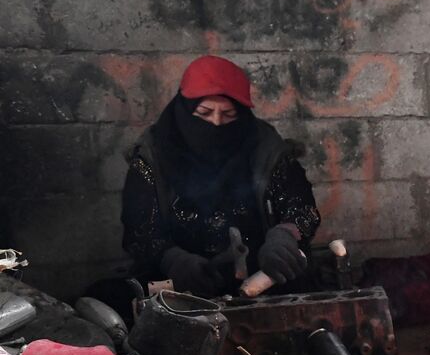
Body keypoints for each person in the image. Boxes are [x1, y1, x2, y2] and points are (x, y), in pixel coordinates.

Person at [121, 55, 320, 297]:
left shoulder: (264, 148)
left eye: (228, 115)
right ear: (184, 110)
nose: (216, 123)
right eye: (204, 113)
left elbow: (302, 208)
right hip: (180, 292)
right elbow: (138, 229)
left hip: (261, 285)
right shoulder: (155, 155)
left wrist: (286, 235)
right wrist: (171, 259)